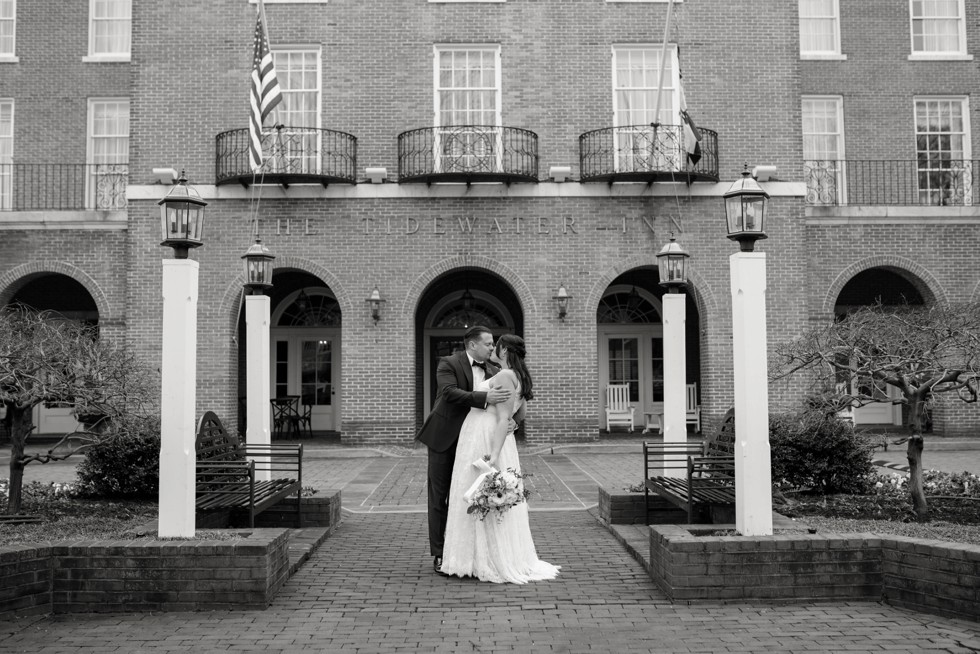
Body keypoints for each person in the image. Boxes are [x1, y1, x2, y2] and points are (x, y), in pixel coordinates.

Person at [440, 334, 560, 584]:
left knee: (478, 493)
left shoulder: (505, 375)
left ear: (505, 350)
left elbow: (504, 416)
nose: (494, 348)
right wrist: (514, 425)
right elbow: (520, 410)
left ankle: (481, 560)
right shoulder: (516, 374)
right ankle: (479, 556)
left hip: (485, 437)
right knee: (481, 496)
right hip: (488, 435)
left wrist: (494, 454)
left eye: (497, 345)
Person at [416, 326, 512, 576]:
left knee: (470, 496)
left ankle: (469, 553)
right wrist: (484, 398)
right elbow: (448, 393)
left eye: (493, 344)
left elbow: (509, 405)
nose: (493, 348)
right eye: (489, 344)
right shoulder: (448, 363)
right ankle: (439, 554)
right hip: (445, 437)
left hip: (475, 443)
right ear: (472, 345)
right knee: (439, 497)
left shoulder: (495, 370)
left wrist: (512, 420)